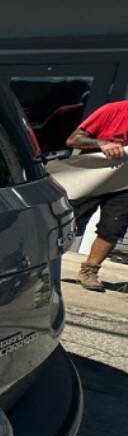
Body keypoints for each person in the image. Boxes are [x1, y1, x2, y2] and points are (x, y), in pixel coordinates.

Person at [66, 98, 128, 291]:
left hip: (124, 183)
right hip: (91, 176)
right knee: (67, 221)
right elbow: (73, 140)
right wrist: (102, 144)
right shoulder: (113, 110)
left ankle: (90, 270)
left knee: (113, 227)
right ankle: (40, 264)